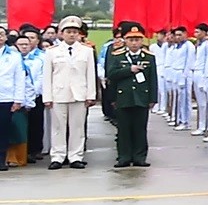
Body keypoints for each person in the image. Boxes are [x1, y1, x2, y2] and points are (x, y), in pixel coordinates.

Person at [43, 17, 100, 169]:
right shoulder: (52, 52)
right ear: (61, 34)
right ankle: (58, 156)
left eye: (75, 32)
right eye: (68, 32)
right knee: (57, 127)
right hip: (58, 94)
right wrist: (47, 97)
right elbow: (47, 76)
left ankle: (76, 156)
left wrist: (91, 95)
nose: (72, 35)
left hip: (79, 94)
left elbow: (90, 74)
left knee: (77, 127)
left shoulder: (86, 51)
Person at [102, 20, 158, 168]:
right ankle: (124, 156)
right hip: (123, 96)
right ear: (125, 40)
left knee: (140, 128)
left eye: (137, 40)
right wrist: (128, 71)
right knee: (124, 129)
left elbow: (153, 78)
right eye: (131, 40)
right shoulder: (117, 56)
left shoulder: (148, 57)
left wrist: (153, 98)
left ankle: (140, 156)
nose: (134, 43)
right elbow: (111, 75)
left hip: (141, 96)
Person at [1, 27, 44, 167]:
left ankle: (2, 160)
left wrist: (19, 100)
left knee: (4, 130)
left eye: (1, 34)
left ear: (6, 37)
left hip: (6, 98)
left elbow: (20, 79)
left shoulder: (14, 56)